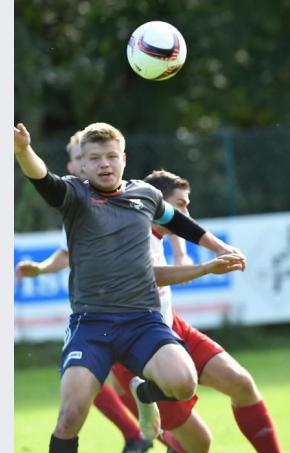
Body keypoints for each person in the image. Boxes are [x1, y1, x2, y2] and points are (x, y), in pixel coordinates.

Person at [13, 121, 245, 453]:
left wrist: (219, 247)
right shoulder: (75, 194)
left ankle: (144, 394)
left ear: (123, 158)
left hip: (142, 321)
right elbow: (42, 179)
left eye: (111, 156)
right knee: (70, 416)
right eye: (95, 158)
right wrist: (23, 151)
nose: (104, 164)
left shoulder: (145, 194)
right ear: (83, 164)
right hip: (91, 324)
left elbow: (180, 222)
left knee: (184, 383)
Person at [107, 170, 281, 453]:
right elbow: (150, 275)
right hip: (139, 350)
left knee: (241, 384)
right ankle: (145, 397)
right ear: (158, 204)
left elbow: (173, 227)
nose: (186, 213)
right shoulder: (134, 233)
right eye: (181, 204)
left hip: (171, 328)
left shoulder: (156, 228)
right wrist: (204, 268)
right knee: (199, 443)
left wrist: (182, 253)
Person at [14, 130, 156, 453]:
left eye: (105, 157)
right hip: (96, 315)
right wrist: (40, 269)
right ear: (74, 165)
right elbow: (65, 254)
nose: (94, 164)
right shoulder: (76, 200)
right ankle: (139, 434)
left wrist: (187, 256)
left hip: (136, 314)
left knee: (147, 385)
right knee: (87, 390)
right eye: (83, 159)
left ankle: (151, 435)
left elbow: (169, 218)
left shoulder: (129, 199)